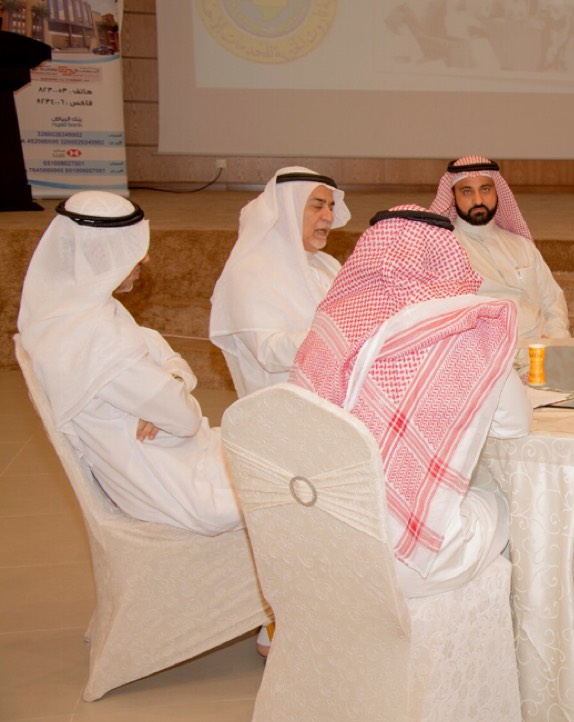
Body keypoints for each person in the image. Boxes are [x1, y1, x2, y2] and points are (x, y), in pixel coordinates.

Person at [290, 205, 531, 596]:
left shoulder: (328, 326)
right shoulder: (468, 329)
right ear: (447, 254)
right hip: (407, 562)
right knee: (502, 503)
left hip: (320, 533)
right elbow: (515, 427)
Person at [18, 191, 241, 535]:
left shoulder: (70, 311)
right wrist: (172, 390)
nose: (146, 258)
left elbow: (165, 354)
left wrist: (173, 382)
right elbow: (184, 419)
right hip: (170, 484)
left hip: (172, 455)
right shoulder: (96, 335)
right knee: (301, 490)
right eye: (133, 247)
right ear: (99, 252)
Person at [210, 167, 350, 397]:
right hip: (281, 406)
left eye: (331, 207)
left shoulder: (328, 264)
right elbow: (269, 352)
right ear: (288, 210)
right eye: (317, 206)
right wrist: (338, 336)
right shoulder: (250, 271)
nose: (329, 216)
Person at [429, 155, 570, 342]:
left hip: (536, 349)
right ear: (453, 197)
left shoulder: (522, 246)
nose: (478, 200)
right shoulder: (443, 247)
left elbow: (552, 302)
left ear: (497, 192)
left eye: (485, 189)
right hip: (482, 353)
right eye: (467, 191)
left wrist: (555, 339)